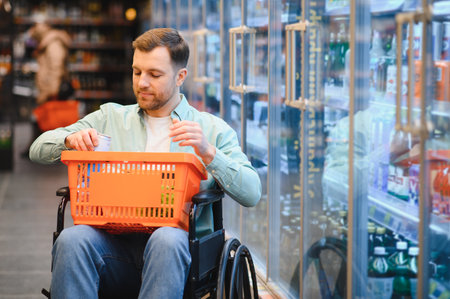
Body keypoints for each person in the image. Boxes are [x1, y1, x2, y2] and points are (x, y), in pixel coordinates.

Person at [29, 28, 261, 299]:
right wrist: (70, 139)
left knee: (167, 238)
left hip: (180, 255)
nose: (142, 83)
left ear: (180, 77)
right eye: (137, 72)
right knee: (72, 239)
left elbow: (252, 192)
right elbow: (37, 149)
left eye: (155, 74)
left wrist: (209, 153)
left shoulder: (209, 129)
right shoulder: (110, 118)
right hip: (114, 247)